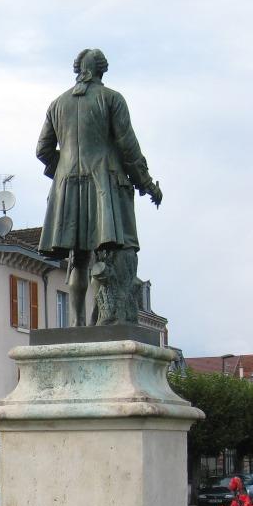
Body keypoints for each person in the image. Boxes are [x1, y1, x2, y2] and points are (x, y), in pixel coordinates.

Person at [37, 49, 162, 326]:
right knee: (105, 254)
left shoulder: (57, 104)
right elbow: (128, 147)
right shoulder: (111, 99)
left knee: (78, 258)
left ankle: (77, 322)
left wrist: (63, 170)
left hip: (67, 188)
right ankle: (100, 320)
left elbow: (42, 150)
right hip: (102, 184)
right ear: (102, 70)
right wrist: (146, 183)